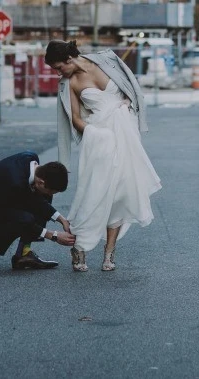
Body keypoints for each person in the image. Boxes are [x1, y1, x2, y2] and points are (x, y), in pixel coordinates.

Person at [46, 40, 161, 272]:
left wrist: (130, 105)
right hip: (99, 137)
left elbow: (130, 85)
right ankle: (79, 246)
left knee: (122, 193)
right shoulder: (69, 83)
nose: (58, 73)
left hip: (126, 134)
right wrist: (95, 133)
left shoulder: (107, 60)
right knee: (95, 191)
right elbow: (74, 118)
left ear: (69, 58)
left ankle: (109, 253)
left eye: (59, 67)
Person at [0, 151, 77, 276]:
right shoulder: (15, 183)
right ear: (41, 182)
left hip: (0, 205)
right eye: (52, 191)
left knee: (42, 196)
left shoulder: (31, 159)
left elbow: (34, 201)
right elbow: (17, 217)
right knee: (24, 218)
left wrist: (62, 219)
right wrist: (54, 236)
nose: (51, 194)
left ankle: (24, 254)